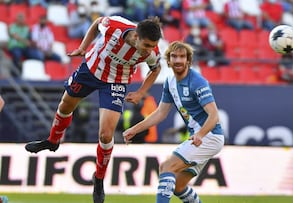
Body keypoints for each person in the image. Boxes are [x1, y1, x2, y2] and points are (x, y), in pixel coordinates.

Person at [24, 16, 163, 203]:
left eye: (151, 46)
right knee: (65, 106)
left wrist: (140, 92)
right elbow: (97, 23)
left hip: (116, 82)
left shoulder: (152, 51)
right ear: (136, 36)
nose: (148, 50)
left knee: (106, 135)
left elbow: (155, 69)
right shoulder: (114, 26)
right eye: (146, 45)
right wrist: (83, 47)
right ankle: (53, 141)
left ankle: (98, 178)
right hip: (90, 71)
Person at [123, 41, 225, 203]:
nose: (178, 60)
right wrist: (134, 129)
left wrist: (200, 134)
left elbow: (214, 115)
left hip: (209, 136)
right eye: (174, 56)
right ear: (168, 61)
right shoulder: (169, 82)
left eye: (182, 57)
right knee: (178, 187)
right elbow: (160, 113)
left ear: (189, 61)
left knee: (166, 167)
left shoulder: (197, 81)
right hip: (200, 138)